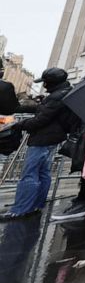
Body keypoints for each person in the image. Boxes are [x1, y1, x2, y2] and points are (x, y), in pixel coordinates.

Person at [0, 68, 75, 222]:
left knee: (29, 174)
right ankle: (35, 205)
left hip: (43, 138)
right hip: (51, 138)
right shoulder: (63, 93)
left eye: (46, 82)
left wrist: (18, 125)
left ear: (51, 82)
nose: (45, 85)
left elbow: (41, 120)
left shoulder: (56, 97)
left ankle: (20, 209)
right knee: (43, 172)